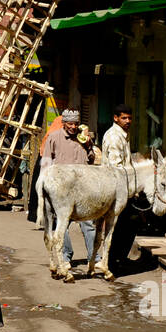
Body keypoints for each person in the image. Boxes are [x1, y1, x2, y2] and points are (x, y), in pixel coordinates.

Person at [38, 108, 98, 269]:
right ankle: (65, 256)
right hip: (61, 192)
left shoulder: (83, 137)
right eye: (70, 123)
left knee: (89, 224)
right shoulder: (54, 137)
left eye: (76, 123)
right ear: (64, 123)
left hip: (83, 190)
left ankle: (95, 257)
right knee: (61, 226)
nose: (73, 127)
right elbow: (45, 163)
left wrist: (88, 145)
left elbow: (91, 160)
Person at [101, 104, 138, 270]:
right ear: (116, 118)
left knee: (127, 225)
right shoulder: (114, 137)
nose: (128, 121)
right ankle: (113, 260)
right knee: (121, 226)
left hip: (123, 188)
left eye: (130, 118)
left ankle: (118, 259)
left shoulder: (123, 135)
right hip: (116, 189)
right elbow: (117, 167)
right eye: (124, 118)